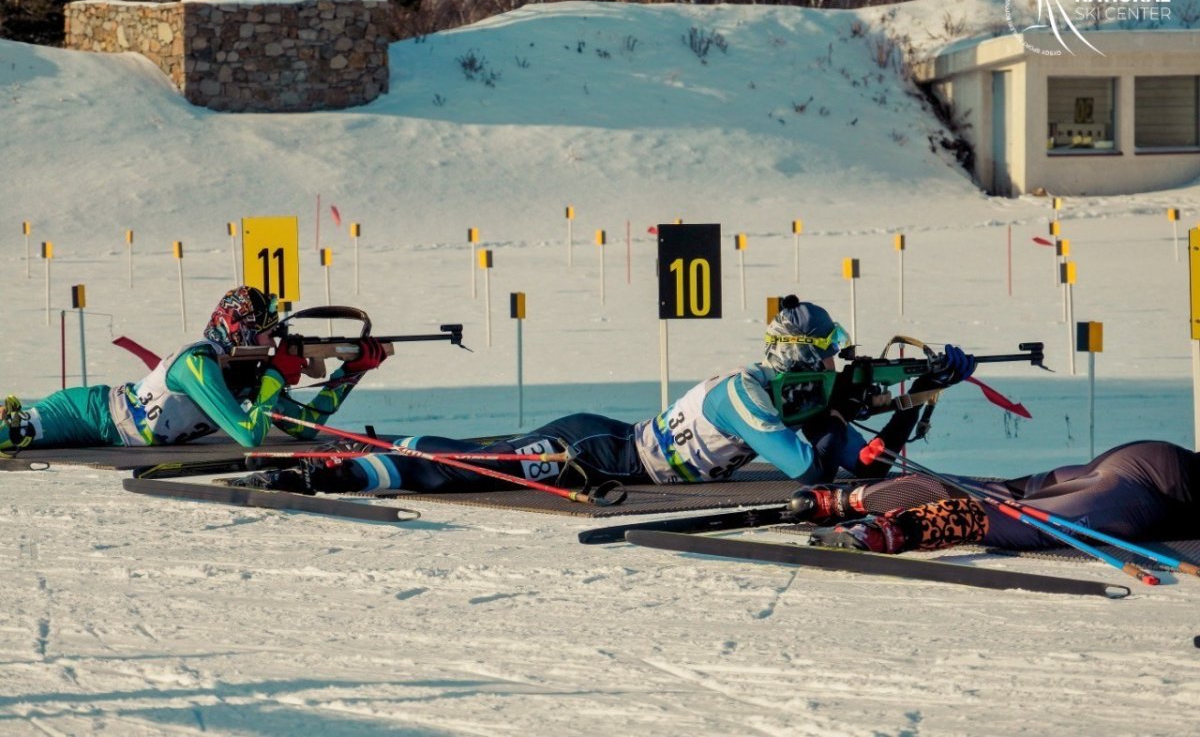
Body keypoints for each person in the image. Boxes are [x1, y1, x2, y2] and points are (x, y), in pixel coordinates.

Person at [229, 294, 976, 495]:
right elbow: (807, 469)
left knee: (484, 458)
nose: (834, 371)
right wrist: (852, 413)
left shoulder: (791, 396)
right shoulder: (750, 395)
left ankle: (389, 450)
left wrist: (918, 398)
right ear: (797, 359)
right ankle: (340, 467)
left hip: (620, 453)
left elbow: (865, 462)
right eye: (825, 359)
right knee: (468, 469)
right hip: (603, 450)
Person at [0, 285, 387, 452]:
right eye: (269, 335)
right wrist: (273, 377)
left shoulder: (245, 374)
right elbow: (249, 436)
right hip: (88, 414)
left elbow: (304, 428)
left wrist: (349, 374)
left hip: (115, 430)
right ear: (243, 332)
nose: (275, 343)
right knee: (10, 435)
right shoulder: (197, 363)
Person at [801, 441, 1200, 554]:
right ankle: (901, 529)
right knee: (1035, 523)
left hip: (1135, 460)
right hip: (1149, 488)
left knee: (1003, 492)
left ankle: (844, 501)